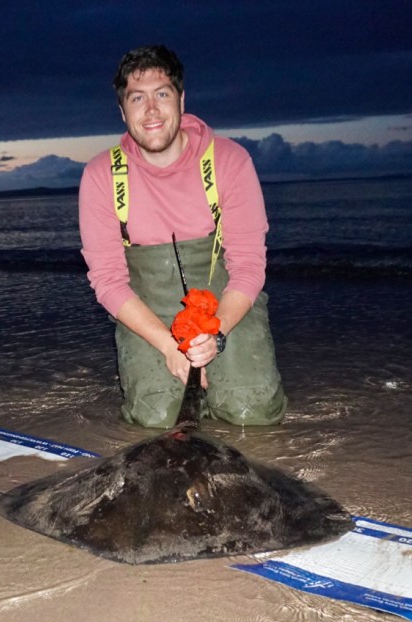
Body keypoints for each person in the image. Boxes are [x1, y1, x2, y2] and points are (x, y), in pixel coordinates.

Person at [78, 45, 286, 428]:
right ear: (123, 111)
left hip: (225, 308)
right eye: (137, 98)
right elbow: (107, 281)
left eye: (162, 94)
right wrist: (168, 346)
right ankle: (178, 387)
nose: (151, 110)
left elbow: (248, 267)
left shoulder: (229, 160)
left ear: (181, 99)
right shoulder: (100, 176)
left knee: (251, 414)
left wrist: (216, 335)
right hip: (149, 315)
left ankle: (225, 386)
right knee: (158, 419)